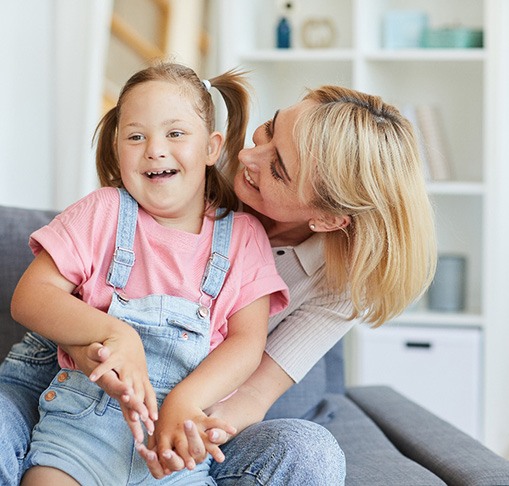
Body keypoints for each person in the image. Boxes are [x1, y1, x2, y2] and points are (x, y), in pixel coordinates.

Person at [0, 81, 436, 485]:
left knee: (313, 453)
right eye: (268, 129)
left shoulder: (321, 277)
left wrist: (187, 426)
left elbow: (252, 386)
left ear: (327, 218)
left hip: (193, 400)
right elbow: (62, 286)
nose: (246, 156)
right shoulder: (184, 158)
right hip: (75, 367)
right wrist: (104, 342)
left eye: (279, 168)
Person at [9, 61, 289, 485]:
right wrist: (119, 334)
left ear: (212, 148)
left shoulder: (243, 237)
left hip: (176, 448)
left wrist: (186, 399)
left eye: (175, 133)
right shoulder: (102, 211)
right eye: (136, 136)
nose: (155, 149)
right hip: (78, 435)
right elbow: (30, 297)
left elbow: (248, 342)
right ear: (117, 148)